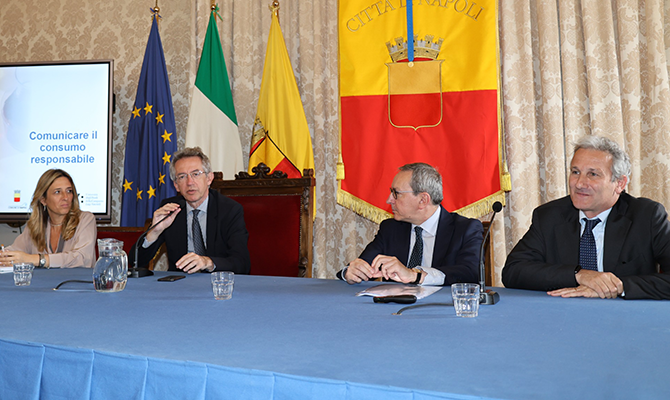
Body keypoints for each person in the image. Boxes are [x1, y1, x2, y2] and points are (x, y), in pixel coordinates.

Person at [503, 135, 670, 300]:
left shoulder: (646, 216)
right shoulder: (550, 216)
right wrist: (578, 275)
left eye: (593, 174)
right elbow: (513, 271)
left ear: (619, 183)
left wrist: (619, 287)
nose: (579, 183)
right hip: (564, 312)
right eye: (575, 172)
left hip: (624, 313)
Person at [338, 163, 483, 286]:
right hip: (395, 308)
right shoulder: (391, 228)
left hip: (442, 307)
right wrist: (350, 272)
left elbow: (471, 273)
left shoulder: (465, 229)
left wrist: (415, 275)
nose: (389, 200)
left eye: (396, 193)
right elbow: (364, 265)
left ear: (423, 200)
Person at [131, 147, 250, 274]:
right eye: (182, 177)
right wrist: (154, 232)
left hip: (216, 282)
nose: (189, 182)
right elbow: (135, 263)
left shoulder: (229, 210)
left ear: (209, 178)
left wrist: (208, 262)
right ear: (176, 185)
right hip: (180, 282)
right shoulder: (171, 209)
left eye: (196, 174)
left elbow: (242, 263)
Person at [0, 169, 96, 268]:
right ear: (43, 200)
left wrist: (37, 259)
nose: (66, 197)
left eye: (69, 191)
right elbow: (15, 251)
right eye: (57, 192)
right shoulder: (35, 225)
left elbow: (83, 259)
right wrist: (4, 256)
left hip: (77, 278)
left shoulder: (85, 219)